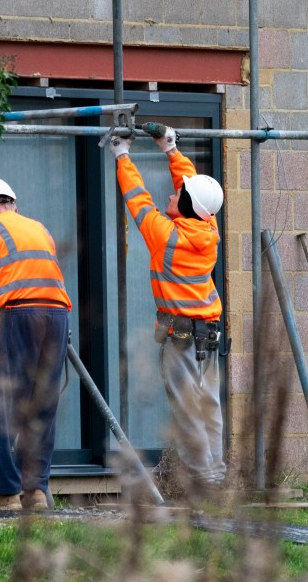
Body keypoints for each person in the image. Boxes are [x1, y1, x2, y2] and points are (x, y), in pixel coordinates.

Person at [109, 125, 227, 493]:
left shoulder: (167, 236)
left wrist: (122, 155)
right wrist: (171, 149)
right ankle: (216, 476)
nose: (173, 193)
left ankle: (203, 482)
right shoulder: (208, 229)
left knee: (188, 410)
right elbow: (194, 187)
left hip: (182, 337)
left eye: (179, 195)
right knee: (209, 406)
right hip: (207, 333)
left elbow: (138, 199)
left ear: (189, 206)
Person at [0, 178, 72, 511]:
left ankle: (7, 493)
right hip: (56, 314)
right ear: (12, 202)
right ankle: (36, 491)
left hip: (18, 313)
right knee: (41, 405)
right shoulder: (39, 228)